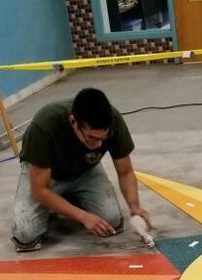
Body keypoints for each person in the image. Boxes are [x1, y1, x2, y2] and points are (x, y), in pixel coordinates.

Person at [11, 87, 150, 252]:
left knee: (111, 221)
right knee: (25, 235)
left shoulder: (113, 120)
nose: (98, 145)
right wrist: (83, 217)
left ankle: (67, 200)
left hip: (84, 171)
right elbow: (40, 190)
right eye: (91, 138)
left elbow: (125, 172)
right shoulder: (44, 126)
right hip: (47, 177)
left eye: (103, 138)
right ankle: (61, 204)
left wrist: (134, 207)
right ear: (73, 122)